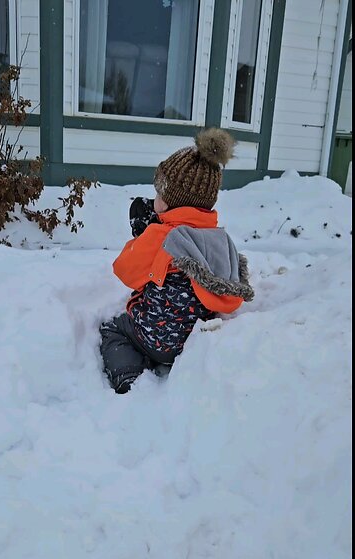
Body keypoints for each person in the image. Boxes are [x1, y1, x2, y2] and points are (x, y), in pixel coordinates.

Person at [99, 128, 255, 394]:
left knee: (113, 329)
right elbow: (231, 296)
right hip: (191, 344)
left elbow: (125, 271)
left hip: (153, 338)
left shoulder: (162, 235)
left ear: (172, 201)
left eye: (159, 193)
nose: (155, 199)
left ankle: (127, 376)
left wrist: (142, 235)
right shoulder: (221, 240)